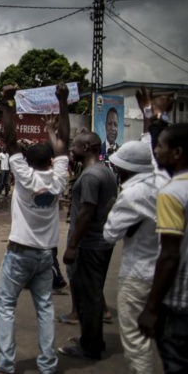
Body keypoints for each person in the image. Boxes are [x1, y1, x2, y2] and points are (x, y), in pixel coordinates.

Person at [0, 83, 70, 374]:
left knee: (5, 307)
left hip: (19, 253)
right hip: (46, 255)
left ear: (26, 161)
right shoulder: (58, 179)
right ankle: (48, 365)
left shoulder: (24, 176)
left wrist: (8, 102)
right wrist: (62, 102)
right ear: (51, 161)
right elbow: (64, 143)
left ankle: (5, 365)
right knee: (44, 307)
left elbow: (11, 138)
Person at [137, 92, 188, 374]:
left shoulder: (172, 193)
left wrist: (152, 307)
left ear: (177, 153)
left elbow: (169, 256)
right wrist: (155, 115)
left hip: (180, 303)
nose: (156, 151)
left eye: (162, 147)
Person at [58, 131, 118, 360]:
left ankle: (90, 347)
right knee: (92, 293)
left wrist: (72, 245)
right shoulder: (105, 172)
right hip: (102, 242)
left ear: (88, 148)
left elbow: (86, 212)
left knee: (88, 296)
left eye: (76, 146)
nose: (72, 149)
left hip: (90, 244)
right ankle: (90, 337)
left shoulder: (91, 176)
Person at [101, 140, 159, 374]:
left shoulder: (132, 193)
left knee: (137, 342)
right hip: (166, 271)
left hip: (138, 273)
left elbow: (110, 233)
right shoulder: (163, 184)